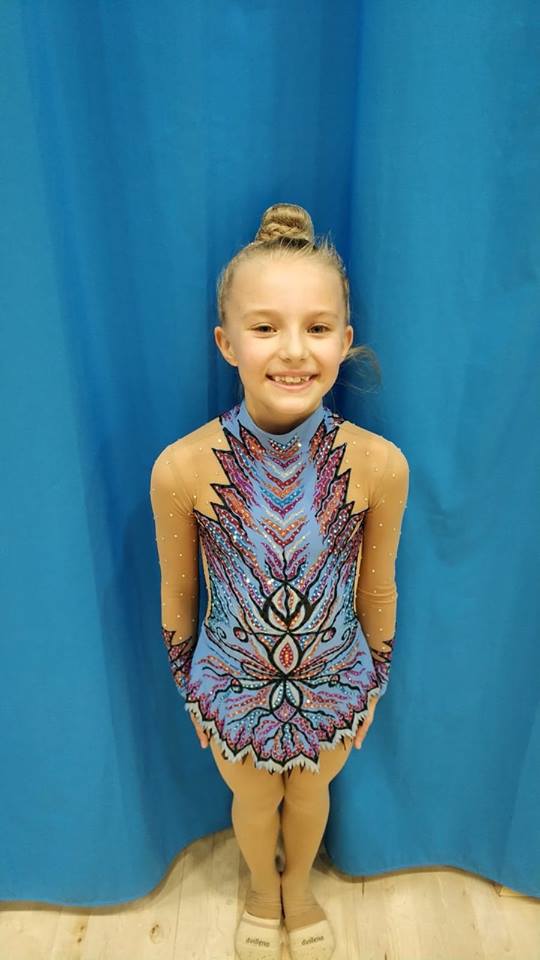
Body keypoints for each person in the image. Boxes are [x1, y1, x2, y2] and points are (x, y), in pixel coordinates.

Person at [150, 203, 410, 960]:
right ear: (227, 343)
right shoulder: (182, 467)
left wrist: (375, 680)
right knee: (256, 798)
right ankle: (263, 891)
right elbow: (179, 594)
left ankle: (299, 889)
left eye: (317, 327)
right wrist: (189, 685)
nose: (294, 350)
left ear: (345, 341)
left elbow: (378, 590)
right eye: (265, 328)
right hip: (231, 684)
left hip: (334, 678)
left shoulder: (380, 464)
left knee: (312, 793)